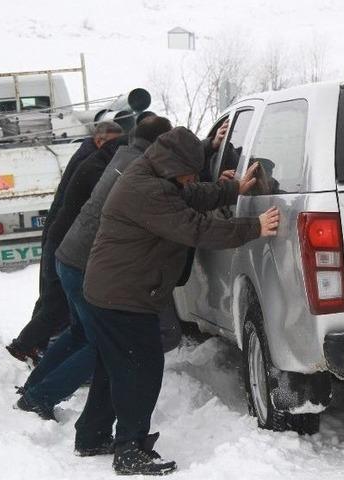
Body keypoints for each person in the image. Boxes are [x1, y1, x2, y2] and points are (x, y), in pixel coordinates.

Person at [78, 127, 279, 475]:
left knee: (114, 369)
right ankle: (129, 448)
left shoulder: (152, 173)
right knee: (140, 371)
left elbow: (189, 195)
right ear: (173, 164)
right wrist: (253, 227)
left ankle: (92, 435)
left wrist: (233, 189)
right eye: (189, 171)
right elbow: (195, 228)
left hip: (111, 291)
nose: (191, 179)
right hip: (123, 296)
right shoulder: (148, 189)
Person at [15, 116, 173, 422]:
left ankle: (33, 389)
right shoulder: (138, 168)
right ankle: (41, 397)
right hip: (87, 264)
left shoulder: (124, 155)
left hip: (70, 257)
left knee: (79, 334)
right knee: (103, 343)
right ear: (159, 144)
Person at [5, 121, 123, 363]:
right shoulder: (92, 162)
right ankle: (25, 345)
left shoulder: (89, 155)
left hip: (59, 235)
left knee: (52, 298)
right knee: (56, 302)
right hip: (64, 239)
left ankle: (31, 345)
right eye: (113, 144)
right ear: (100, 140)